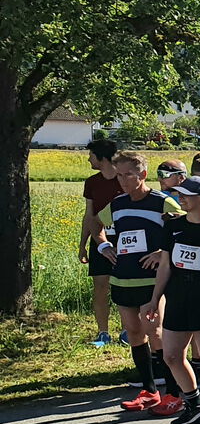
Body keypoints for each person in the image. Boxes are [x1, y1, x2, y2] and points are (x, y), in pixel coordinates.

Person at [93, 153, 183, 412]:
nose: (122, 181)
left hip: (151, 280)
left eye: (128, 175)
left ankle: (173, 393)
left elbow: (186, 228)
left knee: (155, 332)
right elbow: (95, 223)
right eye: (119, 175)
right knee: (133, 332)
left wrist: (162, 252)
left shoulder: (162, 202)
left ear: (142, 175)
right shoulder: (118, 203)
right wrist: (104, 246)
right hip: (123, 278)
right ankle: (149, 391)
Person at [139, 175, 200, 424]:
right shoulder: (173, 226)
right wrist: (155, 298)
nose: (181, 198)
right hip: (177, 296)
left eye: (187, 194)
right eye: (179, 194)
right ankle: (194, 402)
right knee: (172, 355)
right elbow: (165, 265)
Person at [80, 138, 122, 347]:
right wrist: (82, 245)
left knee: (124, 287)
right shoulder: (92, 182)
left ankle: (127, 331)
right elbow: (89, 216)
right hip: (99, 241)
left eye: (91, 156)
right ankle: (103, 333)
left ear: (102, 158)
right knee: (100, 286)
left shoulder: (124, 180)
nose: (89, 159)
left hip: (125, 241)